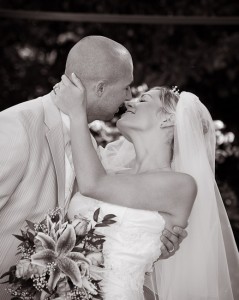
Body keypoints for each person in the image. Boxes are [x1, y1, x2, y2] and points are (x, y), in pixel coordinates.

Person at [0, 36, 186, 299]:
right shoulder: (15, 128)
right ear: (100, 88)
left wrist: (155, 242)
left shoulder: (89, 148)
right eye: (126, 87)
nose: (129, 97)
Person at [54, 74, 239, 300]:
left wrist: (76, 112)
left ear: (168, 120)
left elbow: (93, 185)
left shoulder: (181, 185)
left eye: (143, 101)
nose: (129, 102)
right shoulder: (106, 169)